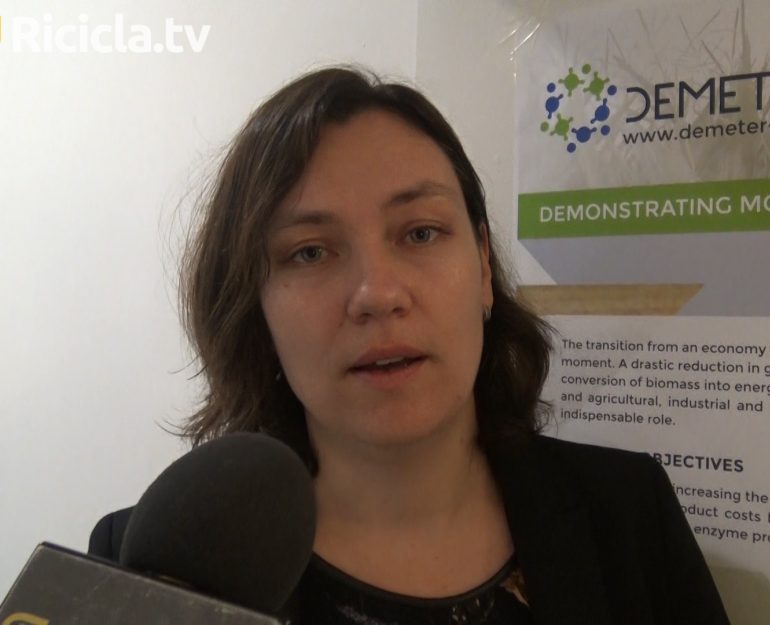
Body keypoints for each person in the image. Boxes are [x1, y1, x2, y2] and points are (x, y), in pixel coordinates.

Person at [90, 67, 730, 625]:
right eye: (309, 252)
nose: (377, 294)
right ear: (255, 306)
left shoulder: (627, 514)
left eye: (420, 233)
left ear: (483, 265)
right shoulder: (152, 564)